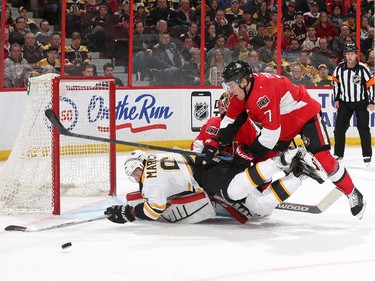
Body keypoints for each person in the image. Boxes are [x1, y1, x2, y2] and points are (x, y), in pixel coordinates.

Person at [203, 60, 367, 220]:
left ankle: (352, 193)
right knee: (264, 160)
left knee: (322, 158)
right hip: (283, 126)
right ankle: (265, 193)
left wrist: (247, 152)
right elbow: (230, 120)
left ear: (243, 81)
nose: (230, 90)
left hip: (305, 116)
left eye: (231, 86)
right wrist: (215, 143)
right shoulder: (242, 92)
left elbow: (270, 134)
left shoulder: (262, 94)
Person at [104, 150, 215, 224]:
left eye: (136, 173)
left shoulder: (151, 182)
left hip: (203, 178)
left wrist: (129, 213)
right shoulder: (155, 156)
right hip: (201, 161)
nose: (137, 179)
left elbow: (154, 210)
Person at [332, 43, 375, 166]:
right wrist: (336, 99)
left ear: (356, 55)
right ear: (345, 55)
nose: (350, 56)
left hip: (361, 102)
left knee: (363, 128)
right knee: (339, 129)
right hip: (345, 102)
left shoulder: (363, 68)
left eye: (352, 54)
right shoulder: (339, 68)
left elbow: (371, 85)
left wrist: (372, 101)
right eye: (348, 54)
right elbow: (335, 84)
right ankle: (338, 153)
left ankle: (367, 154)